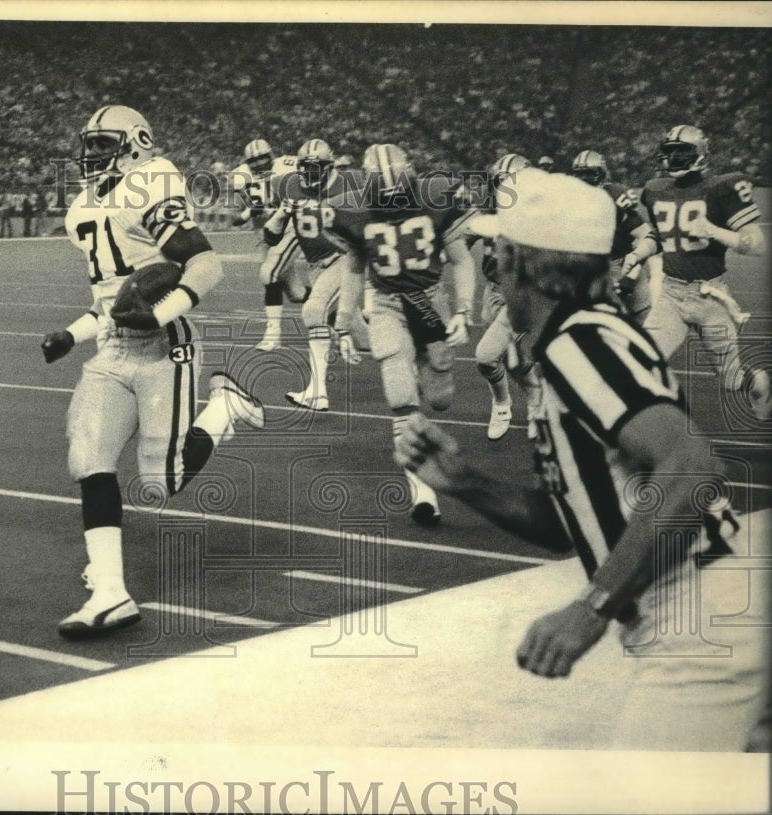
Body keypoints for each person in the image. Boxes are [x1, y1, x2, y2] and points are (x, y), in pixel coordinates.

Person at [395, 168, 770, 751]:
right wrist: (463, 481)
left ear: (528, 265)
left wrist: (591, 608)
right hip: (708, 604)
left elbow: (693, 472)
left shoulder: (580, 342)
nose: (492, 266)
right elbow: (569, 523)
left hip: (698, 610)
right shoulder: (581, 339)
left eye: (500, 252)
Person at [40, 105, 266, 638]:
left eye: (102, 144)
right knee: (88, 457)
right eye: (89, 144)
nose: (91, 154)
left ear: (136, 143)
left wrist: (160, 313)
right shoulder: (82, 208)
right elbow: (110, 302)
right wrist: (72, 335)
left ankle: (224, 407)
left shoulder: (152, 181)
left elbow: (207, 265)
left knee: (160, 484)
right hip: (116, 350)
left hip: (168, 348)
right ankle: (112, 592)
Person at [330, 144, 476, 524]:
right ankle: (423, 492)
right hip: (387, 302)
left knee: (440, 398)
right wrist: (343, 322)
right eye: (384, 199)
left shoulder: (435, 197)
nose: (392, 207)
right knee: (399, 392)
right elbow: (354, 268)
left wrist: (463, 309)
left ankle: (423, 376)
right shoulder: (353, 209)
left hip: (429, 301)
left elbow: (461, 259)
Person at [621, 125, 770, 418]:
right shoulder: (655, 189)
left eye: (682, 153)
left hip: (709, 297)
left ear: (700, 155)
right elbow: (660, 235)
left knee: (732, 379)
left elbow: (758, 245)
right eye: (670, 153)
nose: (674, 159)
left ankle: (759, 381)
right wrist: (638, 254)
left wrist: (715, 231)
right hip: (670, 296)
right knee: (643, 361)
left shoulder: (721, 188)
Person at [262, 138, 369, 411]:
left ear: (329, 167)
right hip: (315, 267)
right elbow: (271, 238)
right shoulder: (287, 186)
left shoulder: (351, 182)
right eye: (305, 168)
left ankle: (317, 392)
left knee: (313, 310)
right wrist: (280, 215)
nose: (309, 174)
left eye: (315, 168)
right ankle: (407, 357)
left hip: (344, 259)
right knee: (364, 336)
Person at [469, 153, 543, 441]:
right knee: (511, 357)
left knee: (486, 357)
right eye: (501, 183)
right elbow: (463, 235)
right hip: (493, 291)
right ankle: (536, 397)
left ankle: (502, 404)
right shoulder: (489, 210)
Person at [227, 138, 302, 350]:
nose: (259, 164)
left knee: (269, 274)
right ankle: (346, 314)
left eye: (263, 158)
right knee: (297, 294)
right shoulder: (239, 176)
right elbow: (234, 219)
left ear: (272, 155)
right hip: (264, 236)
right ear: (246, 162)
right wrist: (249, 211)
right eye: (254, 160)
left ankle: (273, 335)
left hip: (288, 228)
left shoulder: (287, 165)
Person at [570, 149, 654, 323]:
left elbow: (645, 235)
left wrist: (631, 276)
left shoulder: (614, 196)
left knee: (642, 320)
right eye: (580, 175)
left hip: (626, 263)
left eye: (590, 174)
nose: (584, 180)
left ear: (602, 175)